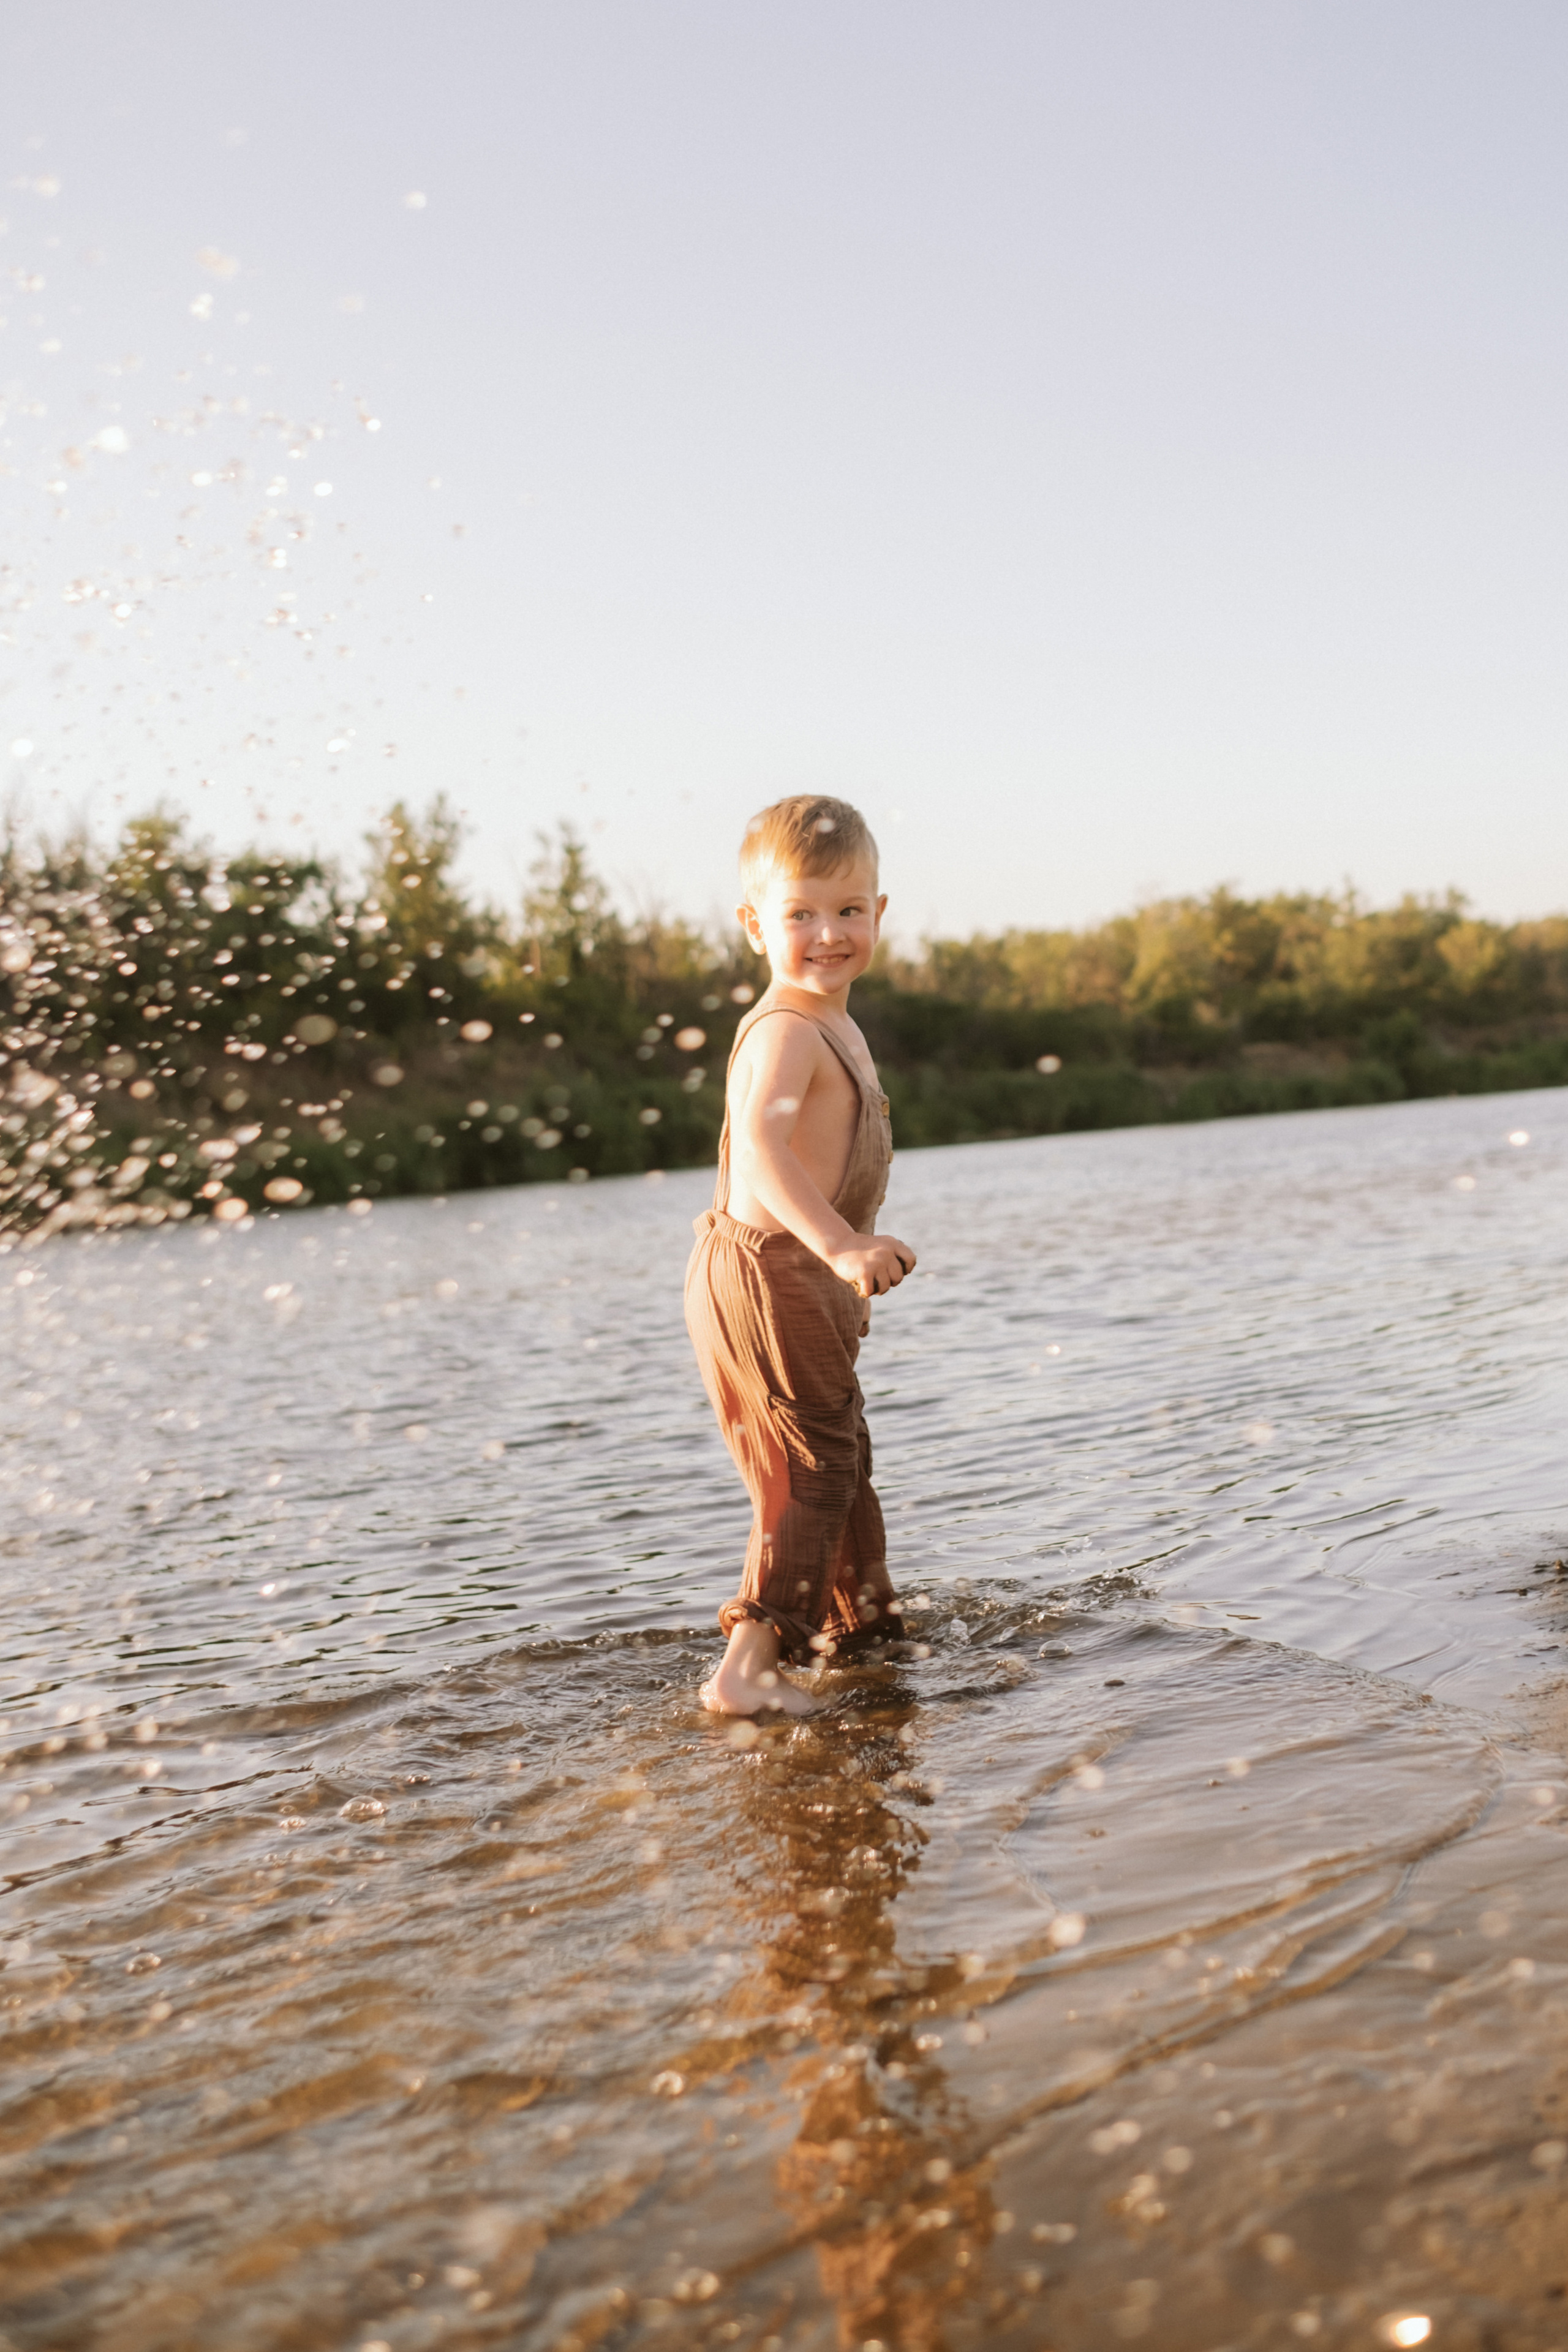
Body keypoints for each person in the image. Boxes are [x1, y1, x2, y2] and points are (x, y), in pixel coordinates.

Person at [685, 793, 917, 1716]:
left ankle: (859, 1638)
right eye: (800, 914)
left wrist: (837, 1263)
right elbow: (763, 1152)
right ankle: (747, 1670)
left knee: (840, 1458)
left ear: (879, 914)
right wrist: (841, 1243)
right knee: (810, 1464)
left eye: (849, 910)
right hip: (770, 1266)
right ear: (754, 926)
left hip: (792, 1273)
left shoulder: (833, 1021)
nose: (829, 933)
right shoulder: (785, 1028)